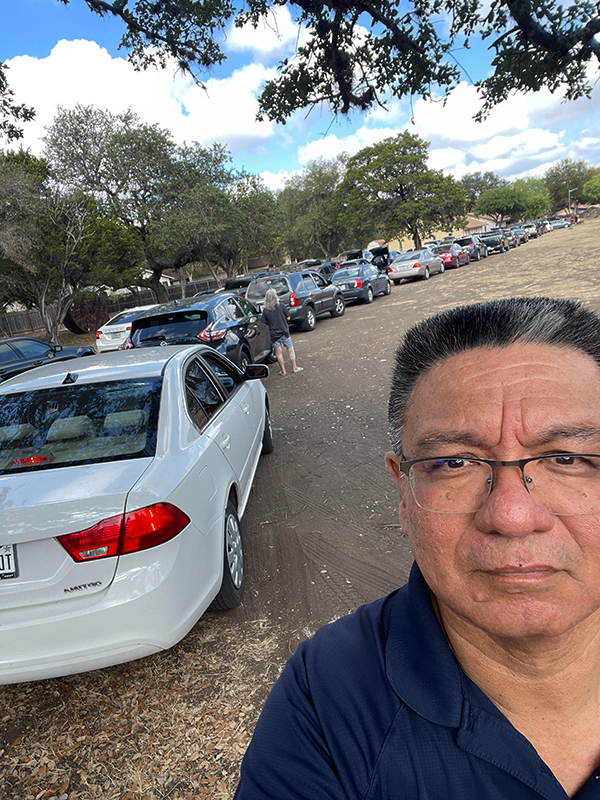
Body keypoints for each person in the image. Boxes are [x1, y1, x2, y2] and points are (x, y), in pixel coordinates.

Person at [235, 296, 600, 799]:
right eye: (454, 463)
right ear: (402, 494)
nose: (513, 517)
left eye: (566, 457)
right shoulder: (328, 696)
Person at [261, 288, 303, 376]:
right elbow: (288, 317)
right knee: (290, 349)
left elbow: (264, 323)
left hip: (274, 334)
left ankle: (283, 371)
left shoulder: (265, 310)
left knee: (278, 352)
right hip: (284, 331)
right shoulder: (282, 306)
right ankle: (294, 367)